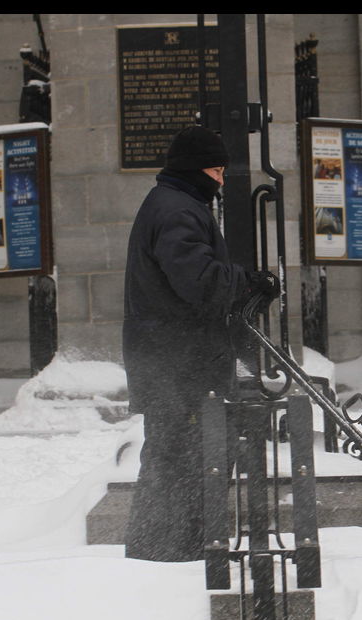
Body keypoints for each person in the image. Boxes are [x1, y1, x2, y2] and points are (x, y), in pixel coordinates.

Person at [122, 125, 279, 562]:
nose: (221, 180)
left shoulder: (175, 204)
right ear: (194, 169)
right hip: (179, 366)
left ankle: (172, 550)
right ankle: (175, 554)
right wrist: (247, 282)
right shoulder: (177, 211)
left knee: (177, 461)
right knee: (188, 461)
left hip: (174, 362)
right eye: (215, 170)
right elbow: (199, 281)